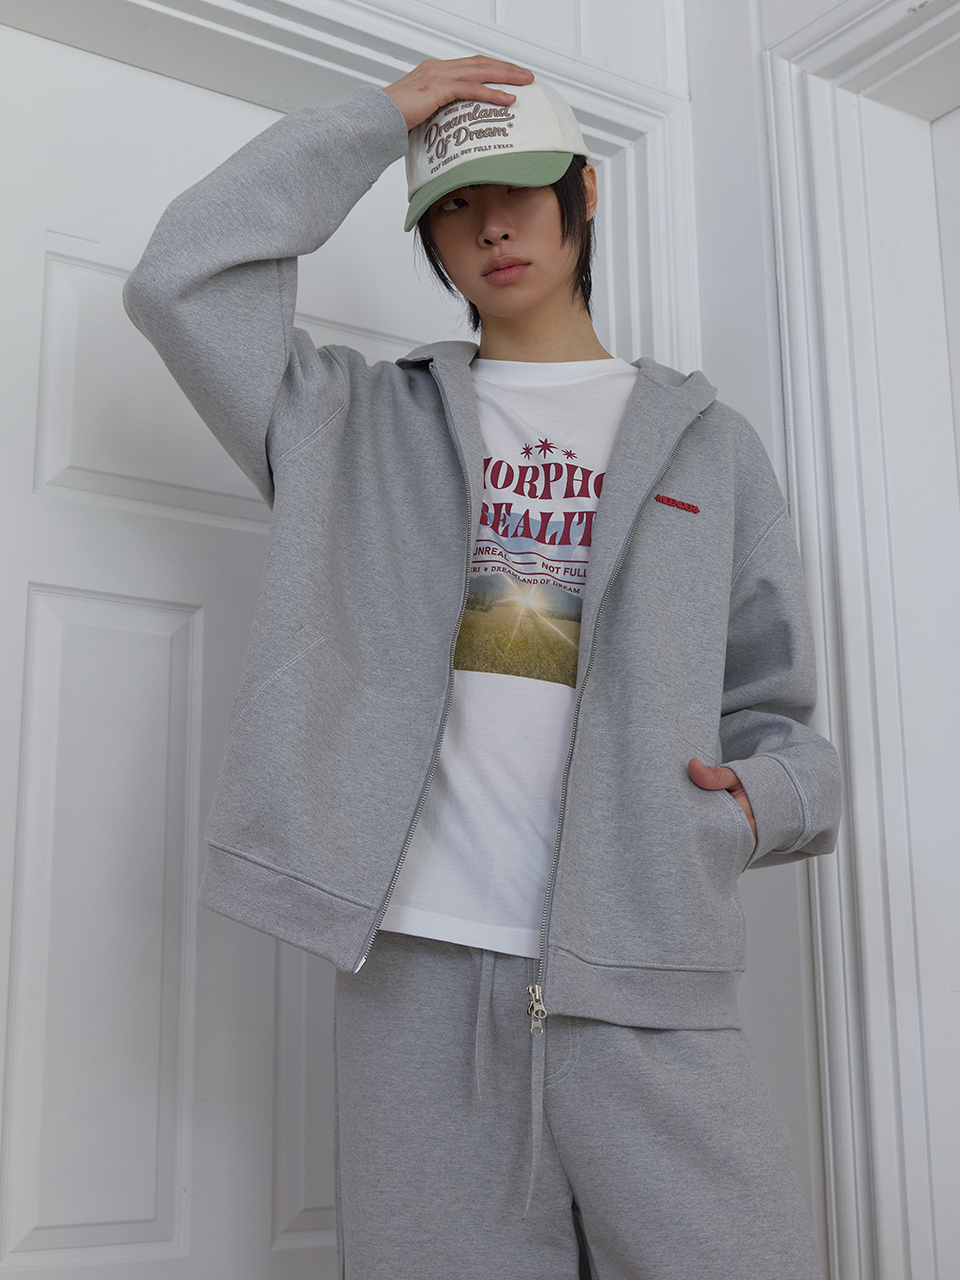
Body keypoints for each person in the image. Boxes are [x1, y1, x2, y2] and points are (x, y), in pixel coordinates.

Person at [124, 54, 841, 1280]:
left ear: (583, 192)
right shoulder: (349, 420)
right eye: (453, 203)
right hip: (418, 977)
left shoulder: (713, 448)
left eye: (515, 187)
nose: (491, 225)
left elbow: (778, 714)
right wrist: (377, 122)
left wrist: (752, 806)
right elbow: (179, 277)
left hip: (647, 969)